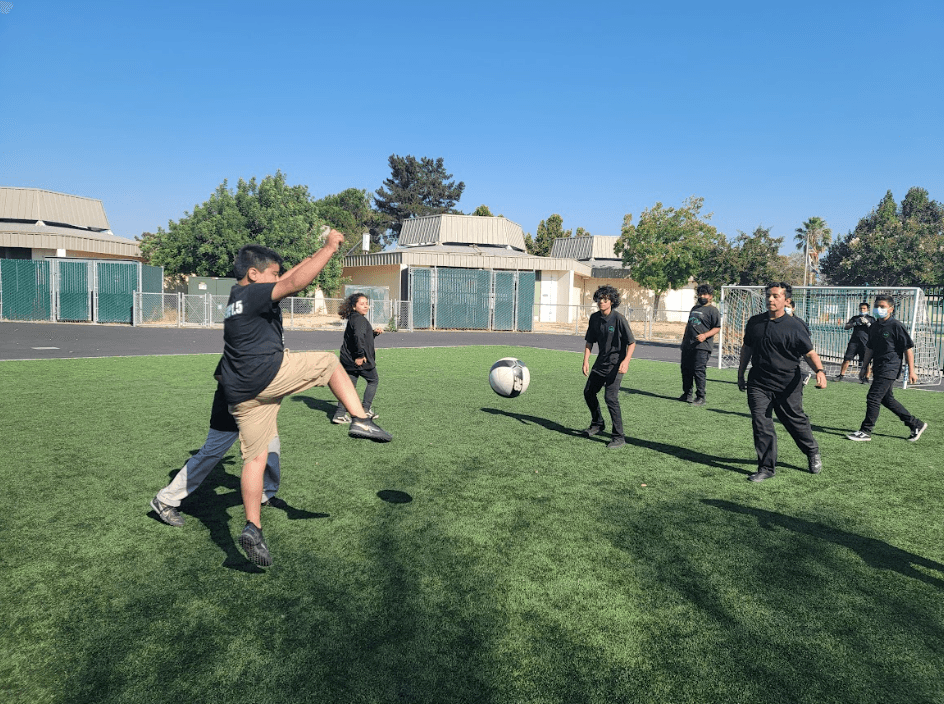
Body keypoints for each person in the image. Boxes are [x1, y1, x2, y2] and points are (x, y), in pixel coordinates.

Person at [221, 232, 392, 567]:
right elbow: (294, 282)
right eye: (271, 273)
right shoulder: (254, 292)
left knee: (255, 459)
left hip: (240, 391)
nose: (277, 278)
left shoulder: (235, 297)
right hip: (265, 373)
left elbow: (287, 276)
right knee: (328, 363)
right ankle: (359, 419)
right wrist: (328, 248)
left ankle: (253, 527)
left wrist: (315, 254)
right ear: (253, 274)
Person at [149, 382, 282, 527]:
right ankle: (165, 499)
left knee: (272, 449)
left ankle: (265, 494)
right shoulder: (235, 366)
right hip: (232, 408)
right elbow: (222, 376)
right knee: (210, 454)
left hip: (260, 411)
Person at [737, 282, 828, 483]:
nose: (770, 299)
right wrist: (741, 373)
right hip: (759, 383)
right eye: (768, 295)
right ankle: (766, 468)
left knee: (794, 421)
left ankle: (811, 450)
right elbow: (747, 348)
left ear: (786, 300)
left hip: (787, 384)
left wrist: (820, 371)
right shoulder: (754, 322)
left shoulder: (795, 326)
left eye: (775, 296)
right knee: (761, 423)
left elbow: (809, 353)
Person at [846, 295, 927, 443]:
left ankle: (866, 431)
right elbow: (869, 348)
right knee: (887, 399)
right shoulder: (874, 326)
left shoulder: (896, 325)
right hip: (878, 366)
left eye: (882, 306)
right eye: (877, 306)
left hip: (890, 366)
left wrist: (912, 371)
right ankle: (915, 424)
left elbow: (908, 349)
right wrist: (864, 367)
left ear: (891, 309)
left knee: (873, 397)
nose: (879, 309)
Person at [581, 285, 636, 449]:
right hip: (601, 363)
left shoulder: (619, 319)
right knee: (589, 392)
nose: (601, 302)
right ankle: (597, 423)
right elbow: (589, 341)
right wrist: (585, 361)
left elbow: (632, 343)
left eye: (605, 299)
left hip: (616, 365)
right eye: (600, 299)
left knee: (610, 398)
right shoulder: (594, 318)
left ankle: (619, 437)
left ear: (612, 301)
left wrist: (626, 361)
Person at [332, 292, 384, 424]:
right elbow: (358, 338)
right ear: (354, 307)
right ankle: (365, 410)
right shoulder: (359, 320)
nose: (366, 306)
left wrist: (373, 333)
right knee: (373, 380)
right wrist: (360, 356)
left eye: (367, 304)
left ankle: (339, 414)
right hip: (358, 359)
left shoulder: (354, 318)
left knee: (349, 386)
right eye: (362, 304)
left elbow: (361, 337)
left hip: (347, 359)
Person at [679, 284, 721, 406]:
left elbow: (717, 327)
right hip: (688, 345)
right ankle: (687, 394)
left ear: (710, 296)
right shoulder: (694, 308)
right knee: (686, 369)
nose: (702, 296)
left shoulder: (713, 310)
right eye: (700, 294)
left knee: (698, 370)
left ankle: (700, 397)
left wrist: (705, 335)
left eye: (705, 294)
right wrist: (684, 341)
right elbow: (689, 325)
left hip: (702, 346)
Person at [836, 302, 874, 383]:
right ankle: (841, 375)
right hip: (854, 342)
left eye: (864, 308)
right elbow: (846, 327)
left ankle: (866, 378)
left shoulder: (871, 319)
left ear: (867, 309)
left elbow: (875, 330)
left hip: (865, 343)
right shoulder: (855, 318)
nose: (862, 310)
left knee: (866, 361)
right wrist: (855, 323)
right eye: (861, 308)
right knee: (847, 359)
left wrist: (868, 323)